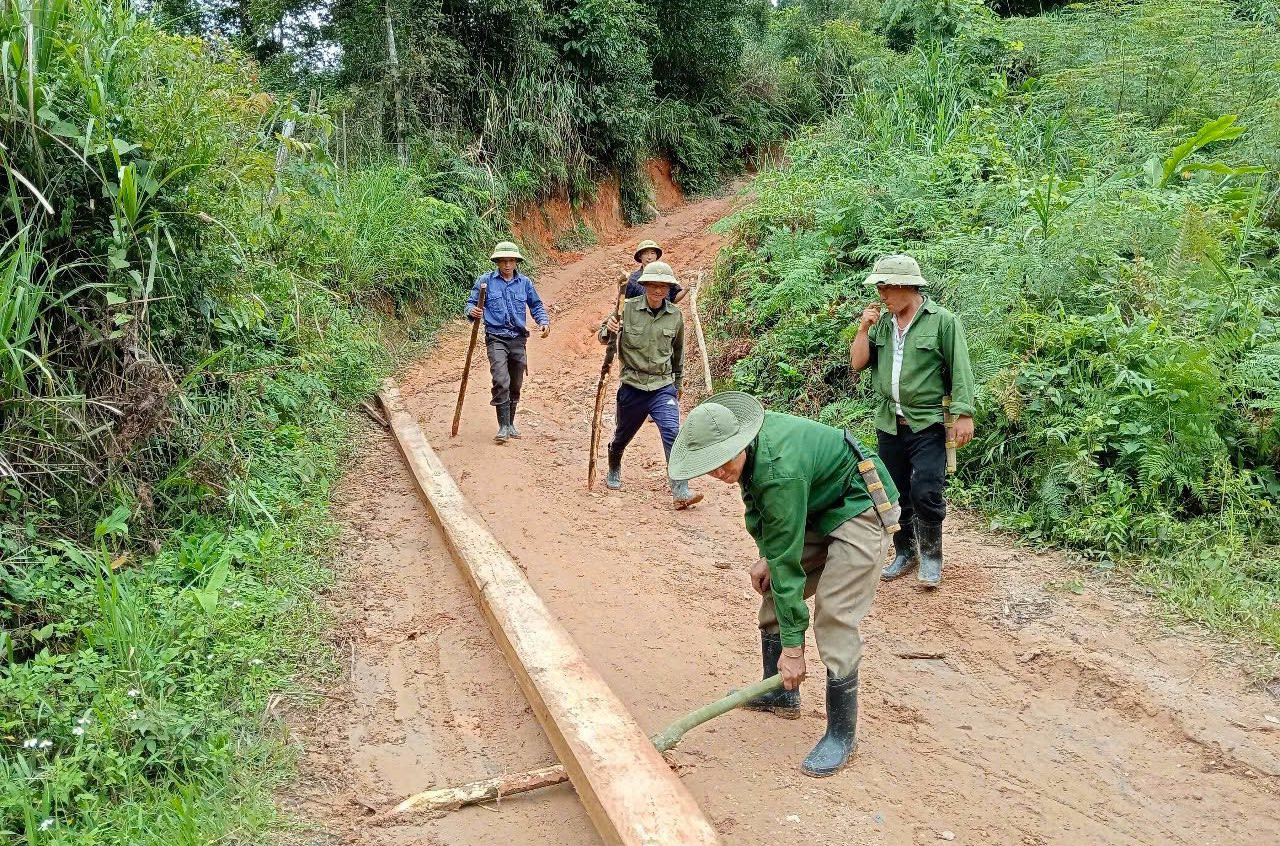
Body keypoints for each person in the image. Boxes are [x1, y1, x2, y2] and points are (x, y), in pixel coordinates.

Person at [667, 392, 900, 777]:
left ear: (740, 440)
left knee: (834, 615)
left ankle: (842, 734)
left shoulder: (777, 467)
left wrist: (794, 648)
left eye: (725, 459)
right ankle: (779, 692)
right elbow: (762, 514)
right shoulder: (754, 454)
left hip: (860, 507)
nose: (720, 471)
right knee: (772, 588)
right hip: (817, 505)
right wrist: (766, 555)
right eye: (710, 465)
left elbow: (787, 561)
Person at [848, 254, 976, 587]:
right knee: (894, 493)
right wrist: (863, 328)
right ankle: (904, 552)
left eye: (886, 287)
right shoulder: (882, 324)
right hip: (890, 422)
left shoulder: (942, 322)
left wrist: (964, 413)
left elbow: (961, 368)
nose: (882, 294)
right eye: (879, 287)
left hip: (928, 422)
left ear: (907, 285)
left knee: (927, 489)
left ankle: (932, 558)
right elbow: (859, 363)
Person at [599, 260, 702, 509]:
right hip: (632, 385)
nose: (658, 291)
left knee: (672, 433)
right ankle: (614, 460)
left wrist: (678, 383)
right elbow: (604, 337)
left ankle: (681, 489)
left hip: (662, 385)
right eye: (653, 286)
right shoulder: (627, 308)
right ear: (644, 286)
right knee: (623, 435)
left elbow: (678, 353)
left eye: (663, 287)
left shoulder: (675, 316)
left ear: (669, 289)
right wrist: (610, 328)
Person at [465, 241, 550, 444]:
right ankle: (502, 426)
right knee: (501, 380)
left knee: (516, 383)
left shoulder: (525, 283)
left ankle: (510, 424)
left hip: (518, 339)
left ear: (516, 262)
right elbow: (471, 303)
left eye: (511, 260)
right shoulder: (485, 281)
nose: (507, 265)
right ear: (497, 262)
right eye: (503, 261)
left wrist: (543, 321)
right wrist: (472, 311)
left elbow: (536, 305)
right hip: (496, 338)